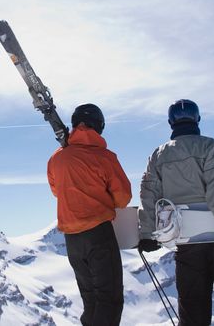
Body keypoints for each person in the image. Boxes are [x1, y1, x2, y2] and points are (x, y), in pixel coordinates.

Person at [138, 99, 214, 326]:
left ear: (170, 123)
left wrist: (146, 234)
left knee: (193, 309)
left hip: (187, 241)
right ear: (197, 119)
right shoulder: (210, 147)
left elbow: (149, 195)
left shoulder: (158, 155)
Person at [47, 103, 132, 326]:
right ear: (99, 126)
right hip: (98, 235)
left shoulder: (57, 159)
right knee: (109, 299)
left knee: (90, 300)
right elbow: (123, 197)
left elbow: (57, 191)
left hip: (72, 239)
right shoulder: (105, 157)